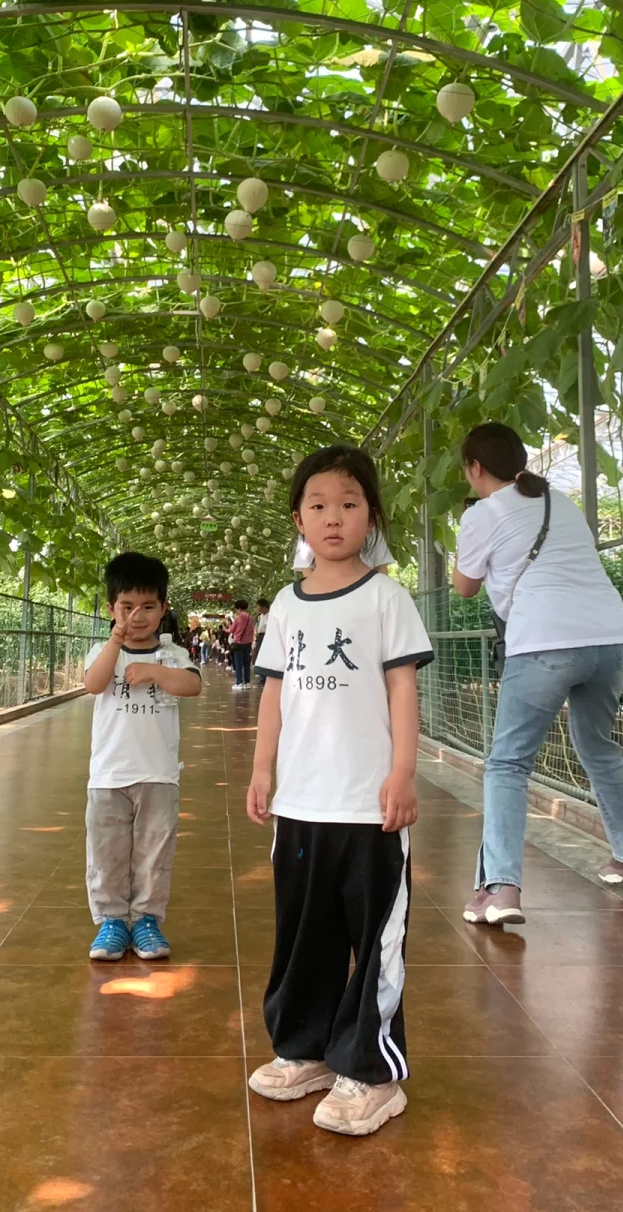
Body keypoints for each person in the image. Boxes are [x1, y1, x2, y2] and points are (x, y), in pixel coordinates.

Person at [247, 444, 433, 1138]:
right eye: (318, 506)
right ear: (298, 518)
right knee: (303, 934)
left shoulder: (387, 598)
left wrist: (403, 771)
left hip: (369, 805)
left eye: (349, 505)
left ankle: (371, 1071)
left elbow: (402, 686)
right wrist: (264, 769)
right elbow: (273, 693)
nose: (333, 518)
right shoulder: (287, 606)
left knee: (374, 936)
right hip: (300, 804)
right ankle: (305, 1047)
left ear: (371, 517)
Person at [452, 422, 623, 928]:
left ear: (476, 468)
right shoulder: (557, 500)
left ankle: (501, 887)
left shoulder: (482, 513)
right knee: (598, 747)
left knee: (507, 765)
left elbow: (463, 588)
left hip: (544, 642)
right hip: (610, 639)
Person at [81, 552, 202, 961]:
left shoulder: (172, 655)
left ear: (163, 609)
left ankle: (147, 919)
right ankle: (112, 921)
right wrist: (116, 642)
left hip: (158, 775)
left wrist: (154, 672)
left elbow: (191, 686)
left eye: (148, 607)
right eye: (127, 607)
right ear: (111, 608)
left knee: (154, 850)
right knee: (107, 850)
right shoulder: (104, 651)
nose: (137, 616)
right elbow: (94, 685)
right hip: (108, 775)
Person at [293, 526, 393, 577]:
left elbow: (382, 568)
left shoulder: (372, 531)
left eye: (348, 505)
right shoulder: (309, 532)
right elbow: (307, 570)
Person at [227, 598, 256, 691]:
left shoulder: (238, 617)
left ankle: (239, 682)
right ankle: (247, 682)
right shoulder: (251, 618)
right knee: (246, 663)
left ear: (239, 608)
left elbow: (231, 630)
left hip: (238, 643)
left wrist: (226, 629)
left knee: (238, 663)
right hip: (248, 643)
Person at [253, 597, 271, 685]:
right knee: (260, 656)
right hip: (260, 637)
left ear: (263, 607)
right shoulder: (260, 616)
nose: (257, 608)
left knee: (266, 656)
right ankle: (262, 677)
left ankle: (266, 677)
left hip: (266, 636)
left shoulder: (271, 615)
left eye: (258, 606)